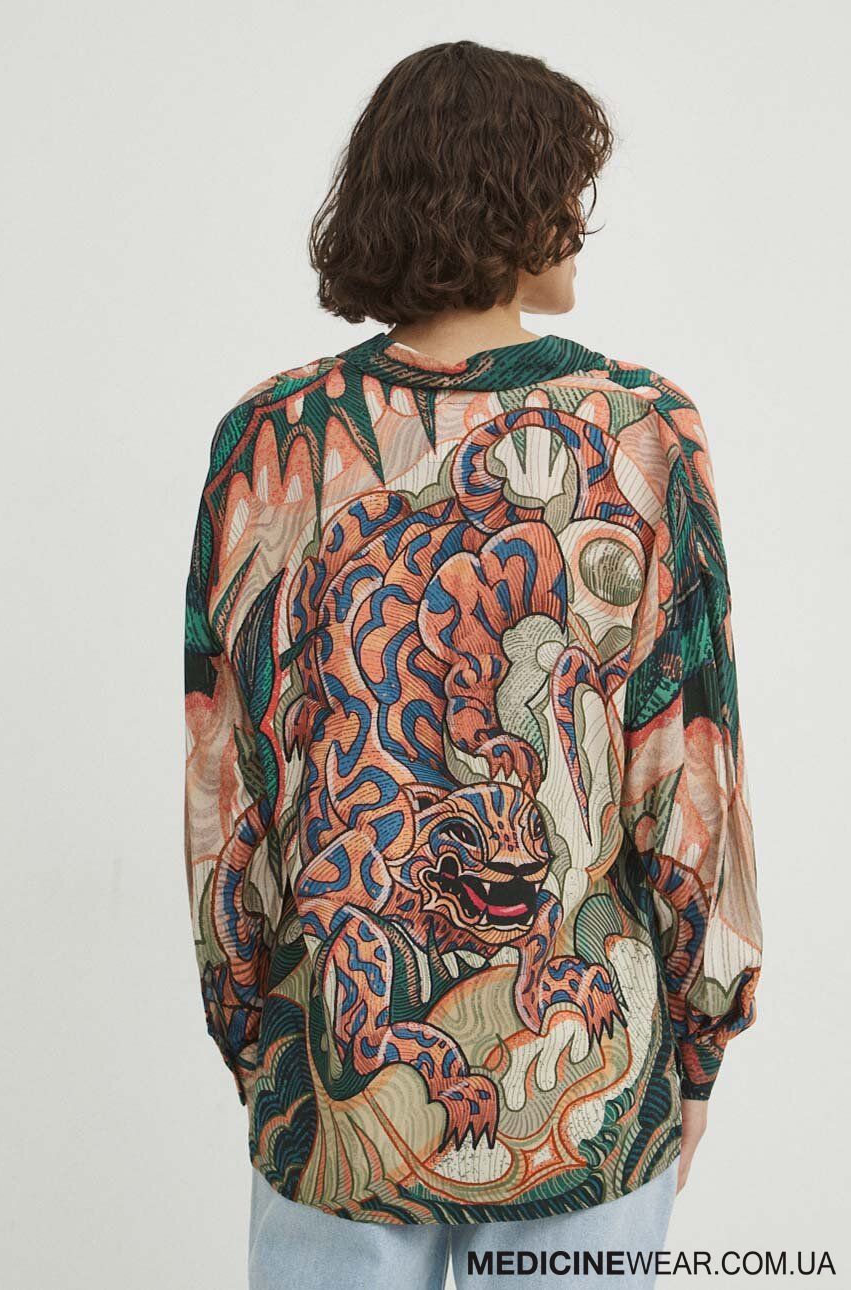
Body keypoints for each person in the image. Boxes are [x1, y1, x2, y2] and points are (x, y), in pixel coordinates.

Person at [184, 40, 762, 1290]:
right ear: (511, 197)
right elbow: (686, 767)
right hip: (587, 1079)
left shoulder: (272, 440)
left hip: (334, 1066)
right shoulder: (640, 432)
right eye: (567, 188)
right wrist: (699, 1043)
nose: (580, 222)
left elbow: (230, 788)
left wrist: (258, 1034)